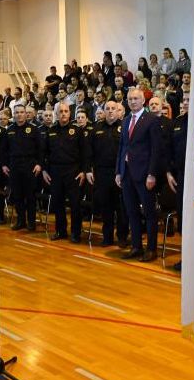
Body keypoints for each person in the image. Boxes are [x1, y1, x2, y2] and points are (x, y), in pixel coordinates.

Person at [116, 88, 162, 262]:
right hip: (127, 173)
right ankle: (136, 246)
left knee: (149, 213)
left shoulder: (151, 120)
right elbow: (122, 148)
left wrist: (152, 174)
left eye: (136, 98)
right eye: (130, 99)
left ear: (143, 101)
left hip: (144, 174)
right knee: (132, 212)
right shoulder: (126, 120)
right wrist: (119, 171)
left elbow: (156, 150)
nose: (132, 101)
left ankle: (151, 249)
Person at [86, 101, 128, 247]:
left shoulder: (125, 127)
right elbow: (89, 151)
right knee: (106, 207)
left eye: (113, 109)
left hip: (120, 173)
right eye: (107, 109)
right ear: (103, 111)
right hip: (101, 172)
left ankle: (122, 237)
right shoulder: (96, 128)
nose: (110, 111)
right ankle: (107, 237)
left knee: (121, 207)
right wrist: (88, 170)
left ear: (119, 111)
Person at [43, 103, 86, 242]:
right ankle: (60, 231)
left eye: (66, 111)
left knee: (75, 204)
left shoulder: (77, 130)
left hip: (73, 171)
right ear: (56, 113)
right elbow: (45, 153)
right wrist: (44, 170)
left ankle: (75, 233)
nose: (63, 113)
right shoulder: (51, 130)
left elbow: (85, 153)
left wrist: (84, 171)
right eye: (60, 111)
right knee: (57, 203)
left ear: (70, 113)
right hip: (55, 171)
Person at [2, 105, 42, 231]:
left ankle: (31, 222)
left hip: (30, 166)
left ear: (26, 114)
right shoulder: (9, 130)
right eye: (17, 112)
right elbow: (3, 150)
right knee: (17, 195)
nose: (19, 114)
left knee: (30, 195)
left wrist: (39, 164)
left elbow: (41, 149)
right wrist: (4, 164)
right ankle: (20, 221)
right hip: (14, 166)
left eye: (22, 112)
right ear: (13, 114)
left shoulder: (33, 129)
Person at [165, 100, 188, 270]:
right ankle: (185, 258)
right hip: (180, 175)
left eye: (189, 100)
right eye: (184, 100)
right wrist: (168, 172)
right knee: (182, 219)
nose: (185, 103)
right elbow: (170, 150)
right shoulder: (177, 123)